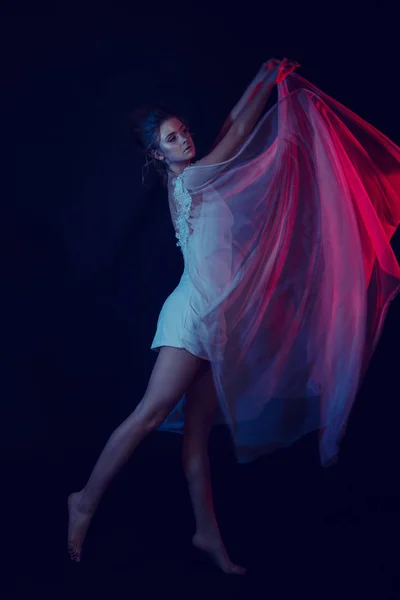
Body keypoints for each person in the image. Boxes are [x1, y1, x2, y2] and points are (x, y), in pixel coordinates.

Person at [68, 57, 400, 573]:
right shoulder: (193, 179)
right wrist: (268, 81)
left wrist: (259, 79)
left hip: (215, 319)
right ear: (158, 154)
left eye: (183, 132)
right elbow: (241, 129)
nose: (185, 140)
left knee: (197, 432)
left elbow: (228, 127)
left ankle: (206, 534)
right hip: (193, 314)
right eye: (173, 140)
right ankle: (84, 501)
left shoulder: (191, 175)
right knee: (150, 414)